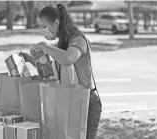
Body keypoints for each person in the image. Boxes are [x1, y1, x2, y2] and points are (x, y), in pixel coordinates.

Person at [20, 4, 102, 139]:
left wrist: (45, 47)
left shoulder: (78, 39)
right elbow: (51, 70)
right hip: (70, 101)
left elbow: (68, 59)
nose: (42, 30)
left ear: (56, 22)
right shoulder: (61, 44)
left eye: (43, 26)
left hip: (87, 103)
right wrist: (30, 60)